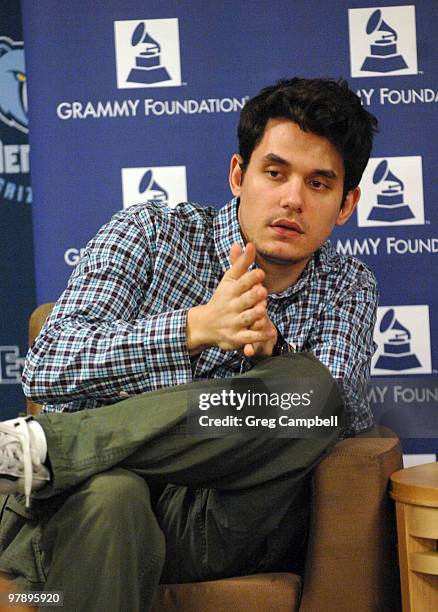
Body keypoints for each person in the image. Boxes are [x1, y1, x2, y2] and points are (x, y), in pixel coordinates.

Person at [0, 77, 378, 611]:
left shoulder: (347, 285)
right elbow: (50, 364)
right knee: (115, 496)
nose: (292, 198)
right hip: (91, 501)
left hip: (212, 526)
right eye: (275, 173)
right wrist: (194, 329)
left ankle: (47, 448)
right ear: (238, 175)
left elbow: (342, 416)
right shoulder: (150, 232)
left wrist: (271, 359)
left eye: (319, 184)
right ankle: (62, 456)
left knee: (313, 392)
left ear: (346, 204)